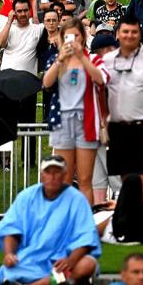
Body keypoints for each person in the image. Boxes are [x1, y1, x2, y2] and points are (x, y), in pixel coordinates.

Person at [0, 156, 101, 285]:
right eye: (48, 172)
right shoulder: (26, 197)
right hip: (32, 257)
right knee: (11, 269)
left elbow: (87, 237)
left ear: (65, 175)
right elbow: (12, 229)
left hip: (65, 260)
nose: (52, 177)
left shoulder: (77, 199)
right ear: (41, 175)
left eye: (57, 172)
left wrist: (71, 260)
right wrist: (9, 254)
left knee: (87, 264)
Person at [42, 17, 109, 202]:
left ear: (83, 37)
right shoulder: (58, 59)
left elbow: (101, 79)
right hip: (63, 120)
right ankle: (65, 221)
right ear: (62, 38)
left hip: (86, 120)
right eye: (68, 36)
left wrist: (81, 57)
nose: (73, 40)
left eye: (76, 36)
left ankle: (84, 222)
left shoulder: (93, 58)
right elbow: (46, 83)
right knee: (65, 178)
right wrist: (60, 59)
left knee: (86, 179)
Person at [103, 17, 143, 199]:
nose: (129, 36)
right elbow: (99, 90)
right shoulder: (107, 60)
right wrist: (104, 121)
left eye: (134, 32)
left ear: (140, 34)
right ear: (118, 34)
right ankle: (131, 221)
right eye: (125, 32)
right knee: (127, 181)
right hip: (118, 127)